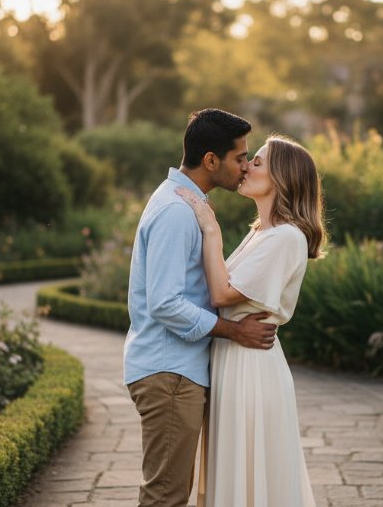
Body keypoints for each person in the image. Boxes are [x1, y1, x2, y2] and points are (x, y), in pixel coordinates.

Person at [124, 108, 278, 507]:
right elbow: (165, 303)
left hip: (174, 370)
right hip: (169, 372)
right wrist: (234, 331)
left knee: (171, 492)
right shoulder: (177, 212)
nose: (245, 167)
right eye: (240, 157)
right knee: (166, 496)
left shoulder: (184, 203)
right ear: (211, 160)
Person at [176, 134, 324, 507]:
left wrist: (210, 229)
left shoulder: (287, 237)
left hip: (252, 369)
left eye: (257, 161)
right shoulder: (260, 233)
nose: (246, 167)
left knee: (251, 471)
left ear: (282, 177)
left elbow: (223, 295)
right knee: (233, 469)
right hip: (233, 359)